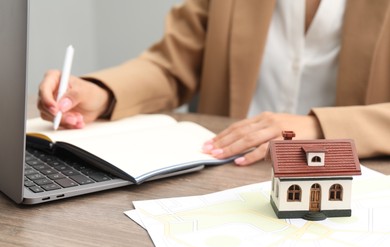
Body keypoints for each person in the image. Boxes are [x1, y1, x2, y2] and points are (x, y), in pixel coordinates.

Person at [38, 0, 390, 166]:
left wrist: (319, 125)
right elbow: (173, 63)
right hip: (227, 169)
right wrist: (103, 92)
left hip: (346, 178)